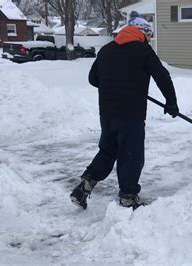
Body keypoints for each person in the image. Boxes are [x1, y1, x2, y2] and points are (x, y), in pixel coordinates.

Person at [70, 15, 179, 210]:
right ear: (142, 34)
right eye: (148, 36)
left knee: (108, 150)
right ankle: (128, 197)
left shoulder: (106, 50)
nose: (148, 39)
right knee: (130, 154)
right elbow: (162, 76)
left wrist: (114, 84)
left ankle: (85, 185)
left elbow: (93, 79)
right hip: (131, 114)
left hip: (107, 113)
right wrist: (171, 102)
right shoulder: (143, 50)